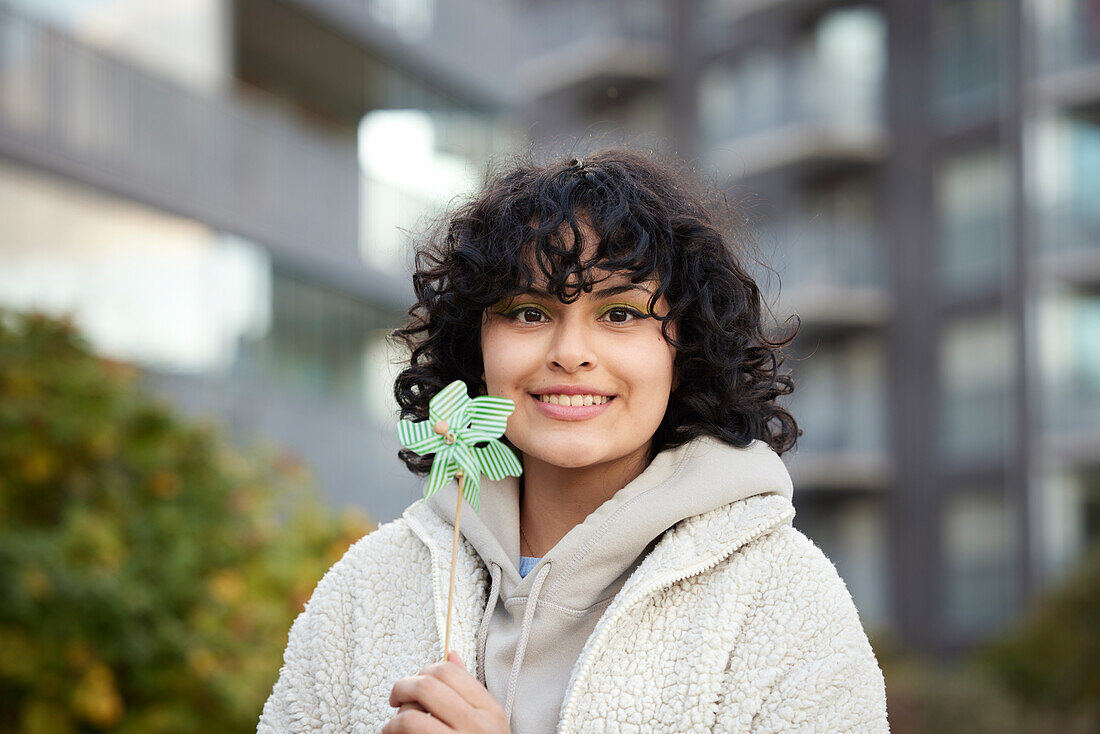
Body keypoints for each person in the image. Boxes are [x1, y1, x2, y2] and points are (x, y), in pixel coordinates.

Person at [257, 148, 890, 733]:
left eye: (620, 314)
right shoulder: (370, 586)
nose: (571, 355)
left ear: (686, 348)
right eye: (528, 312)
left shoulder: (781, 599)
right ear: (476, 347)